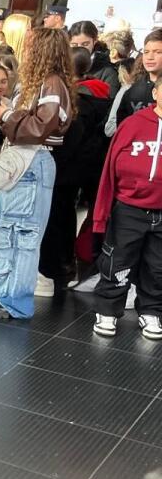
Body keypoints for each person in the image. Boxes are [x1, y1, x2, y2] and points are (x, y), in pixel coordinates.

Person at [0, 27, 74, 319]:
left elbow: (38, 128)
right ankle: (4, 295)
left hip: (31, 161)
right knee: (8, 231)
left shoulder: (51, 85)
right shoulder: (44, 84)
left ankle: (13, 301)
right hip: (27, 162)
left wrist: (6, 114)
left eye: (31, 46)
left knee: (20, 234)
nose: (25, 51)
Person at [91, 76, 162, 339]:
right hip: (130, 208)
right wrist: (102, 212)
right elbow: (110, 168)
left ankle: (152, 311)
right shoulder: (133, 124)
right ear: (156, 93)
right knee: (117, 261)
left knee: (158, 266)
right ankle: (107, 310)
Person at [39, 47, 113, 294]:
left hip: (66, 167)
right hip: (93, 167)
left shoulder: (75, 100)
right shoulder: (105, 95)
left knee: (59, 216)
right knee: (78, 216)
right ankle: (74, 262)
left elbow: (70, 137)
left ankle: (59, 263)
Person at [109, 28, 162, 135]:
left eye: (158, 52)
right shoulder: (131, 89)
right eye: (146, 52)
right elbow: (122, 123)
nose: (150, 57)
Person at [69, 20, 120, 97]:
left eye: (85, 44)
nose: (80, 48)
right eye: (74, 45)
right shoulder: (61, 66)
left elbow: (109, 103)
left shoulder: (108, 72)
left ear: (95, 40)